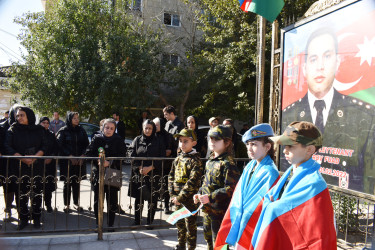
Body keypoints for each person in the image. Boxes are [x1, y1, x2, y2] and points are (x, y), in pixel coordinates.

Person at [282, 27, 375, 192]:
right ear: (304, 68)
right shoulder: (289, 114)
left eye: (327, 56)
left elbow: (368, 181)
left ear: (337, 62)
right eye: (313, 59)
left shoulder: (364, 116)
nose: (320, 66)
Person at [251, 121, 337, 249]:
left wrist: (272, 207)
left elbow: (315, 236)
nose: (285, 150)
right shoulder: (290, 172)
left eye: (290, 146)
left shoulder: (315, 184)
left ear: (309, 149)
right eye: (284, 146)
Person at [215, 123, 280, 249]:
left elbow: (261, 205)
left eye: (254, 144)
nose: (249, 148)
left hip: (252, 225)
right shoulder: (250, 165)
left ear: (267, 146)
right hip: (241, 220)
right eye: (248, 144)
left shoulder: (270, 172)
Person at [193, 125, 240, 250]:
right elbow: (206, 182)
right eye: (210, 139)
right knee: (209, 241)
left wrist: (209, 197)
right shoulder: (210, 160)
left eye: (216, 139)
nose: (212, 142)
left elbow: (231, 189)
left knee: (219, 245)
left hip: (220, 213)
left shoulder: (228, 163)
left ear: (227, 142)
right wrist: (199, 193)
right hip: (208, 210)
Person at [4, 106, 48, 230]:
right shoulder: (13, 129)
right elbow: (7, 146)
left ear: (28, 115)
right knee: (21, 194)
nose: (19, 118)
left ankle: (37, 218)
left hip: (37, 166)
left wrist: (35, 157)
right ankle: (23, 219)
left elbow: (45, 145)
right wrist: (22, 158)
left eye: (22, 115)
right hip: (19, 166)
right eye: (17, 116)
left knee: (37, 193)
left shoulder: (39, 129)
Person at [86, 118, 126, 231]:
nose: (108, 130)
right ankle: (98, 223)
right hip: (98, 173)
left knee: (112, 200)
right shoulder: (96, 139)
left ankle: (110, 224)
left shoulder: (118, 140)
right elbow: (88, 154)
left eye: (111, 128)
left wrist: (110, 162)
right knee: (98, 200)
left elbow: (123, 156)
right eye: (107, 127)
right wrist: (97, 161)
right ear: (103, 128)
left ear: (114, 130)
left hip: (113, 173)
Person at [169, 128, 203, 250]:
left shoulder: (196, 161)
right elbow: (171, 176)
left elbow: (192, 182)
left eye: (186, 141)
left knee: (190, 227)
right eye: (180, 141)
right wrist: (172, 194)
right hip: (177, 199)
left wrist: (180, 197)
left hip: (189, 200)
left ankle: (191, 247)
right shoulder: (178, 159)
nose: (182, 144)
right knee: (180, 224)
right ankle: (181, 245)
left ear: (193, 143)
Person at [127, 119, 166, 226]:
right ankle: (137, 220)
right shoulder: (137, 139)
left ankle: (150, 221)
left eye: (150, 128)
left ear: (153, 129)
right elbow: (130, 153)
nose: (148, 130)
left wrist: (150, 167)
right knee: (138, 198)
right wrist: (139, 166)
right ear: (143, 128)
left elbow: (162, 157)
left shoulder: (159, 140)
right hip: (138, 174)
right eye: (146, 128)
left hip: (153, 174)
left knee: (152, 199)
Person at [56, 112, 89, 213]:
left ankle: (76, 203)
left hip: (79, 161)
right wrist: (69, 156)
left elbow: (87, 144)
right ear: (69, 119)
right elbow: (59, 145)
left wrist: (83, 155)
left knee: (77, 183)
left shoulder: (81, 130)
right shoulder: (63, 130)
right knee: (67, 183)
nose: (76, 120)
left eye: (77, 118)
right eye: (74, 118)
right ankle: (67, 205)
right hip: (67, 162)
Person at [153, 117, 173, 214]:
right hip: (155, 165)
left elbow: (173, 149)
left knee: (166, 186)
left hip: (167, 165)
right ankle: (154, 205)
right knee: (155, 185)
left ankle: (166, 206)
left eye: (156, 125)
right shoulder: (152, 135)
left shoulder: (168, 136)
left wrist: (169, 151)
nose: (154, 126)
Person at [39, 117, 59, 213]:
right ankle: (37, 206)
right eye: (43, 122)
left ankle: (48, 205)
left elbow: (56, 148)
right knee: (37, 186)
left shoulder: (51, 135)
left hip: (50, 164)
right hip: (38, 164)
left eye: (47, 123)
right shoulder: (36, 134)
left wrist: (51, 157)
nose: (46, 124)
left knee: (48, 186)